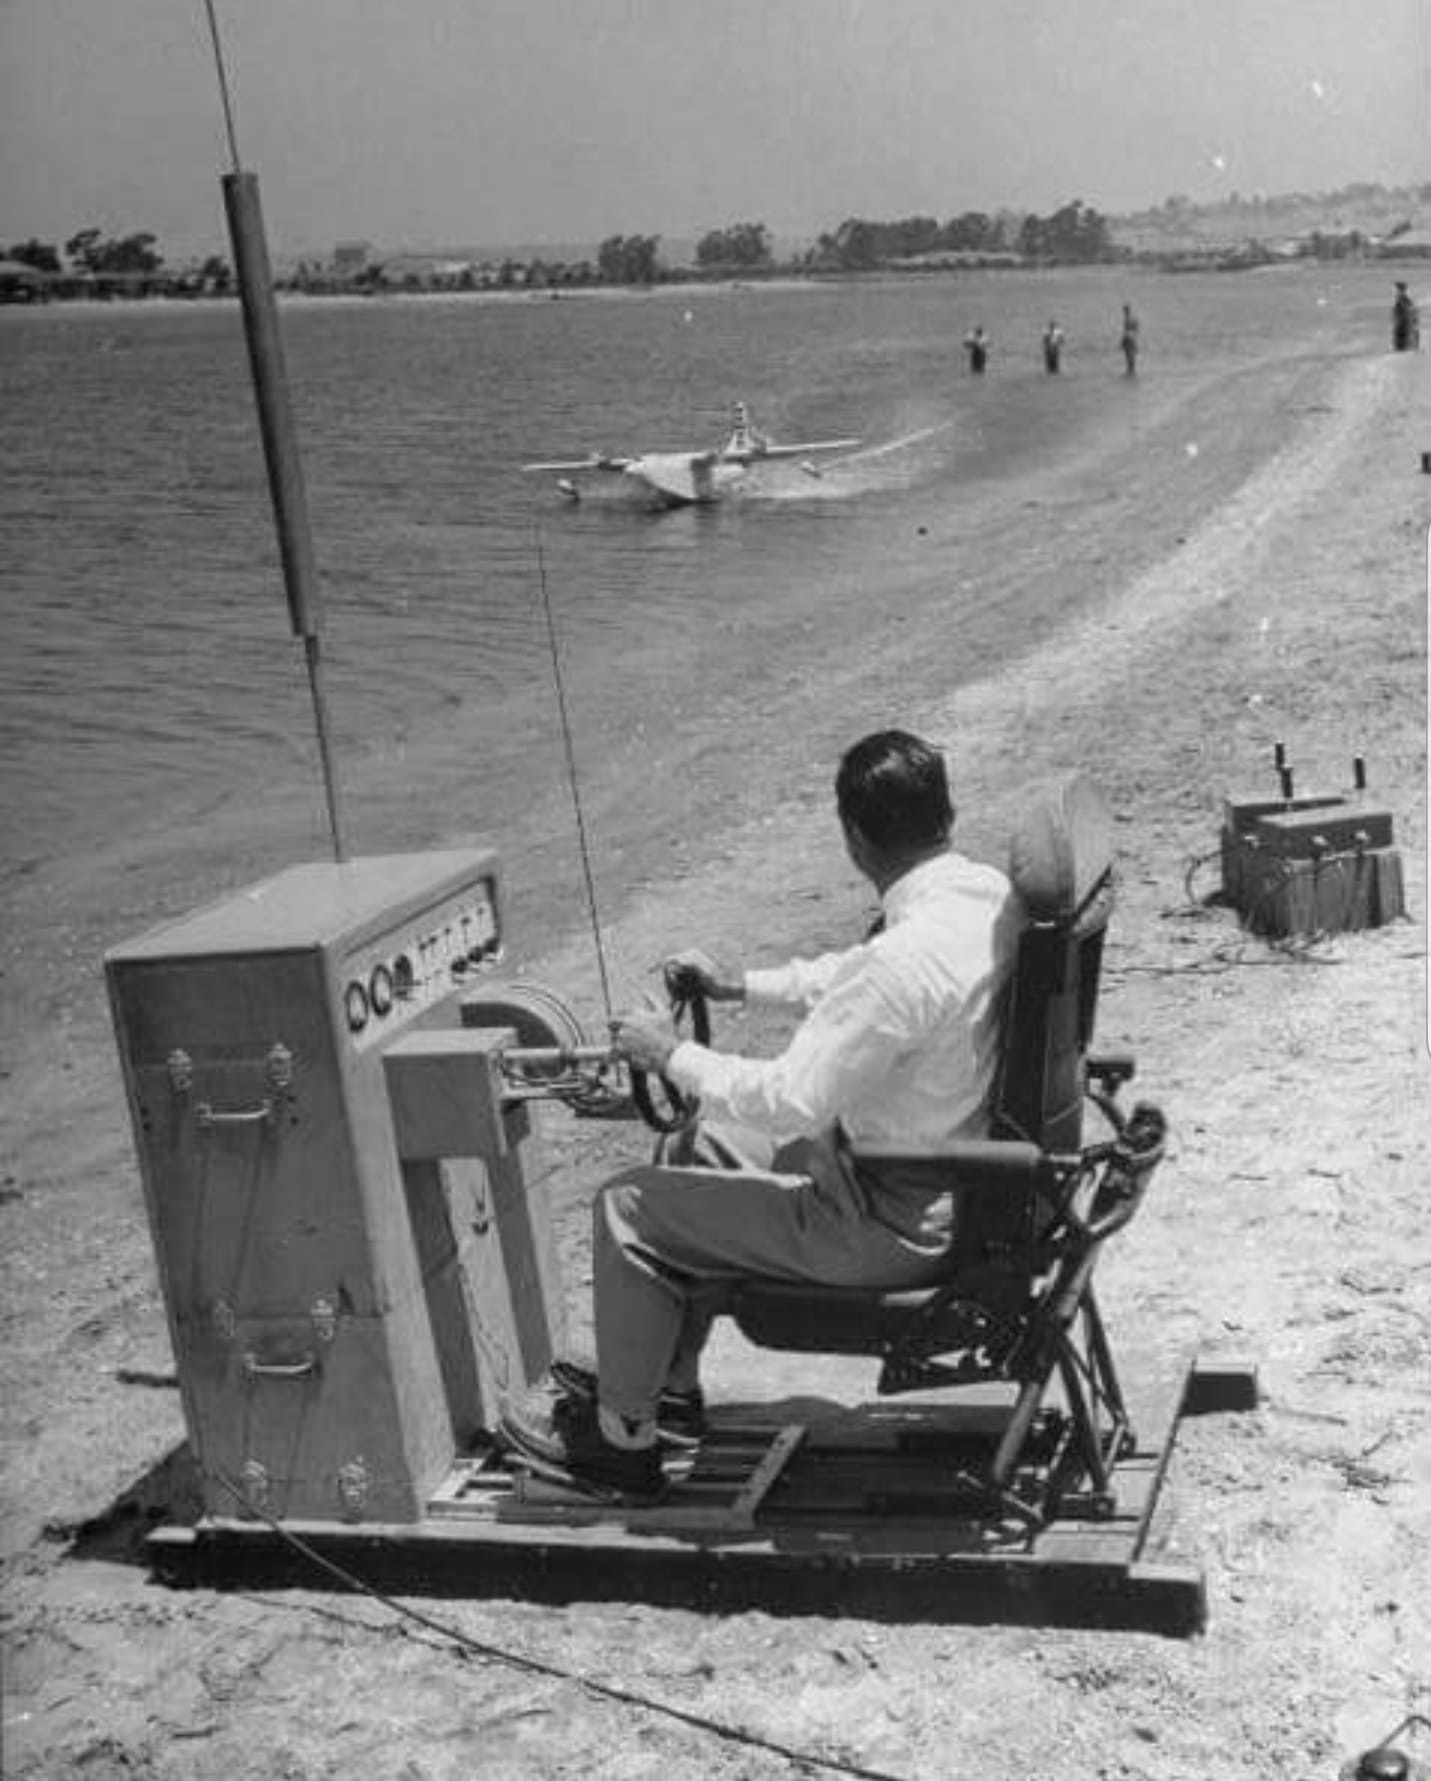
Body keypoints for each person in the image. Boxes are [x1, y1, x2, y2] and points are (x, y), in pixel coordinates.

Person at [498, 729, 1023, 1502]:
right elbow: (864, 978)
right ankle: (667, 1392)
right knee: (699, 1142)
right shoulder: (984, 897)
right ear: (944, 811)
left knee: (624, 1207)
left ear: (853, 837)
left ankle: (619, 1449)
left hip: (884, 1221)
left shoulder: (901, 959)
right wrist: (741, 985)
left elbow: (791, 1096)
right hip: (947, 1185)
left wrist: (665, 1053)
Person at [1392, 281, 1420, 352]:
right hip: (1406, 335)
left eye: (1395, 290)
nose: (1393, 292)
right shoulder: (1407, 301)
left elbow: (1410, 316)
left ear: (1400, 291)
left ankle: (1406, 346)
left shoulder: (1403, 301)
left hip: (1404, 335)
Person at [1119, 303, 1140, 375]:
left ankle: (1130, 372)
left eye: (1124, 311)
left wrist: (1122, 342)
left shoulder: (1127, 319)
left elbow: (1126, 332)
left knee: (1129, 357)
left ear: (1126, 311)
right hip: (1133, 339)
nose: (1123, 312)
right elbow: (1137, 330)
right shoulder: (1134, 319)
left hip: (1128, 339)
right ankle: (1131, 372)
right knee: (1132, 357)